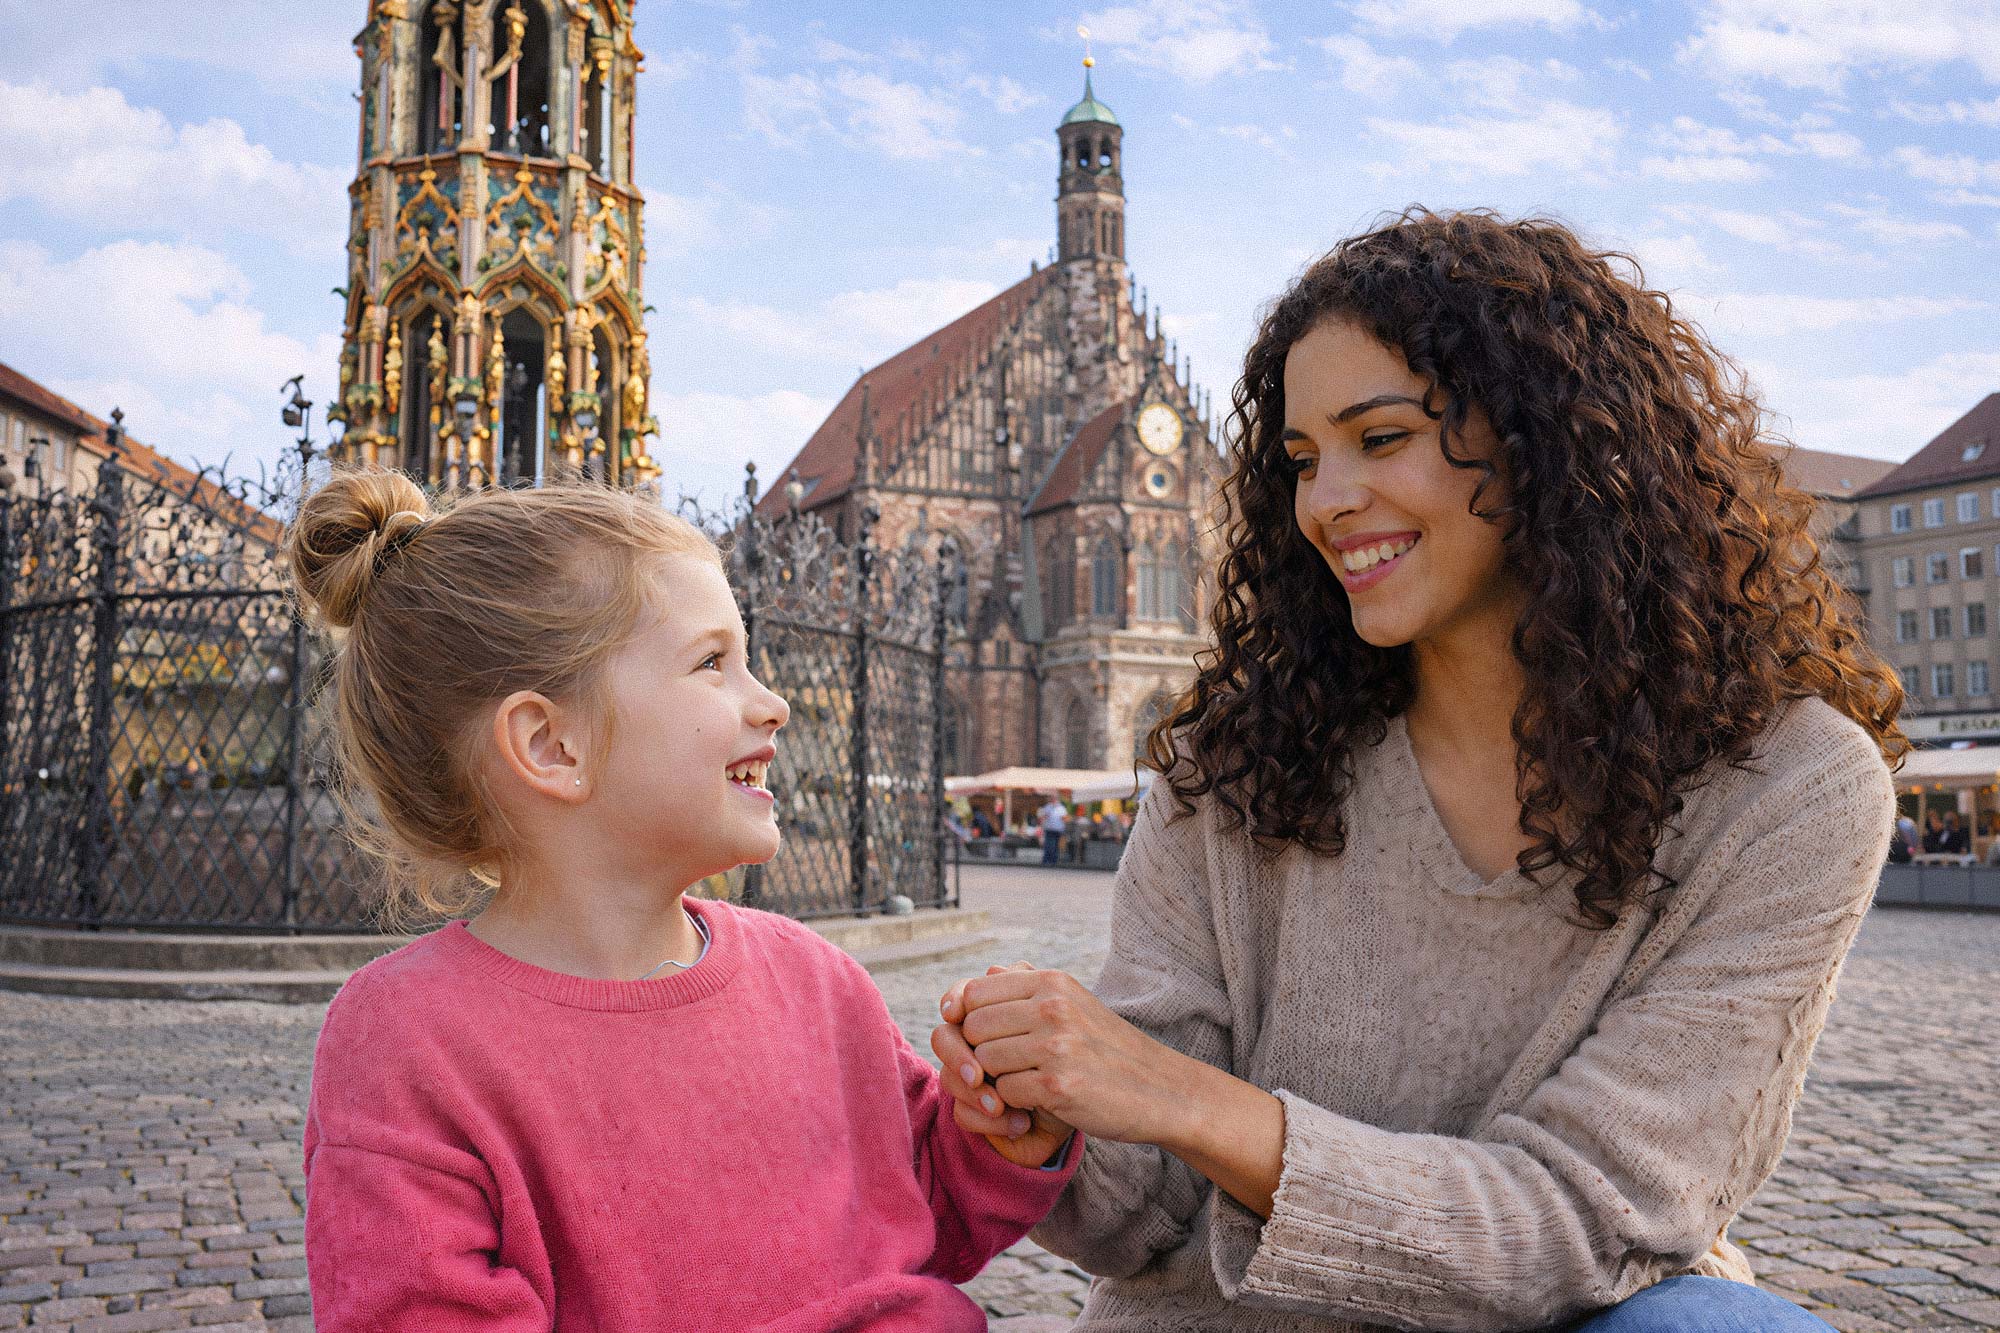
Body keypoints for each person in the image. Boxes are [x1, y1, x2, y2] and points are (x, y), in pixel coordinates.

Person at [929, 210, 1901, 1331]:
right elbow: (1144, 1215)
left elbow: (1585, 1219)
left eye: (1379, 438)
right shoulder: (1233, 760)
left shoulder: (1781, 788)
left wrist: (1191, 1102)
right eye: (1298, 460)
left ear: (1549, 441)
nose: (1324, 501)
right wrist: (1046, 1124)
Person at [292, 473, 1077, 1332]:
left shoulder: (819, 979)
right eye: (713, 663)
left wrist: (1000, 1131)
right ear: (552, 744)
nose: (770, 703)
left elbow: (925, 1201)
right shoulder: (407, 1043)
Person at [1037, 796, 1067, 865]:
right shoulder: (1047, 807)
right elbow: (1042, 817)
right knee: (1049, 845)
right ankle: (1047, 860)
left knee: (1055, 845)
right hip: (1049, 829)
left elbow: (1064, 818)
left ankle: (1053, 860)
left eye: (1055, 799)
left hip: (1058, 830)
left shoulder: (1061, 808)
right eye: (1053, 799)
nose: (1054, 800)